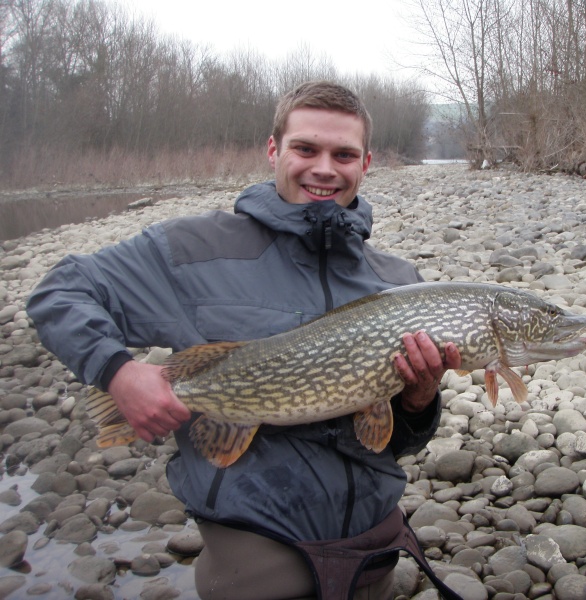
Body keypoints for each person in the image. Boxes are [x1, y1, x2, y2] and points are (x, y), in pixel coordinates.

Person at [27, 81, 463, 600]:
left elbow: (393, 443)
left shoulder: (397, 282)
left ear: (365, 163)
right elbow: (60, 290)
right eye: (306, 148)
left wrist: (418, 399)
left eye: (343, 154)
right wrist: (116, 372)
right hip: (259, 569)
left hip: (373, 560)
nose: (324, 167)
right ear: (274, 149)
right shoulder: (193, 251)